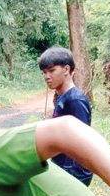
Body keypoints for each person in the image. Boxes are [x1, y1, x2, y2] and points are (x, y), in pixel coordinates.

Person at [39, 46, 93, 186]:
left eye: (51, 71)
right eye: (44, 72)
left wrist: (73, 179)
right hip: (61, 170)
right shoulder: (61, 96)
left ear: (67, 70)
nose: (47, 76)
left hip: (73, 176)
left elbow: (81, 142)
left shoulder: (75, 100)